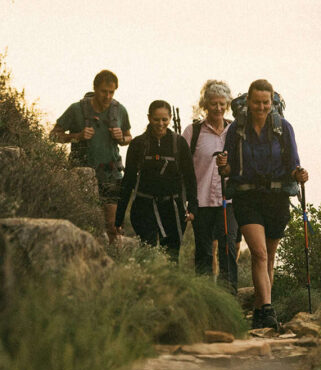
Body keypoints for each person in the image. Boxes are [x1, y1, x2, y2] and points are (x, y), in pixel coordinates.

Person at [217, 79, 308, 330]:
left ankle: (258, 310)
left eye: (265, 102)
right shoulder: (237, 129)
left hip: (276, 198)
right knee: (259, 253)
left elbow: (293, 164)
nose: (261, 107)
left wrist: (299, 174)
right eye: (257, 102)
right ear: (248, 101)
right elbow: (229, 166)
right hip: (247, 198)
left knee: (269, 258)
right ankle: (268, 310)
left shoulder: (283, 128)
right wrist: (224, 167)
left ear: (272, 102)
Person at [51, 70, 132, 241]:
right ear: (95, 88)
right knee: (82, 221)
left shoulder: (120, 110)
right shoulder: (76, 109)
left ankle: (113, 264)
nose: (108, 96)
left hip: (111, 174)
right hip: (81, 174)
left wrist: (122, 138)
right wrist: (77, 136)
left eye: (111, 92)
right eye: (104, 91)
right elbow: (53, 135)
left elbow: (128, 137)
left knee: (112, 226)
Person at [115, 100, 197, 262]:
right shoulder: (138, 144)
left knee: (172, 258)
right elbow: (129, 180)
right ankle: (146, 286)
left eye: (164, 120)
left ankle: (169, 287)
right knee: (147, 256)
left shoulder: (179, 143)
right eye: (156, 119)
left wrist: (192, 206)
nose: (160, 124)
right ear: (149, 118)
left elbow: (189, 177)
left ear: (170, 119)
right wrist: (119, 217)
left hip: (173, 208)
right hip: (144, 207)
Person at [184, 80, 240, 293]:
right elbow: (184, 168)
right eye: (213, 103)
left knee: (228, 250)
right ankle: (205, 297)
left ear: (227, 105)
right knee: (204, 252)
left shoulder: (234, 132)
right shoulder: (193, 132)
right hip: (202, 200)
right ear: (205, 104)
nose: (218, 108)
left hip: (229, 201)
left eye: (222, 104)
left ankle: (229, 299)